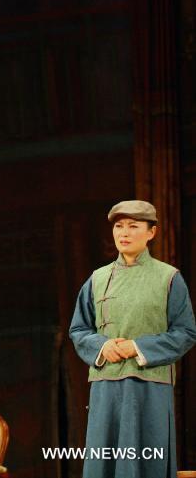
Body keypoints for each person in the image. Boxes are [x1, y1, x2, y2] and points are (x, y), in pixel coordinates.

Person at [70, 200, 196, 478]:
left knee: (146, 461)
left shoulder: (169, 278)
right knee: (104, 462)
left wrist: (136, 347)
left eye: (133, 226)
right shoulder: (97, 279)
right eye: (118, 226)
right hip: (106, 388)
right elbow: (79, 330)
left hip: (149, 385)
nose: (124, 233)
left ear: (151, 232)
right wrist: (103, 346)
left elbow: (185, 332)